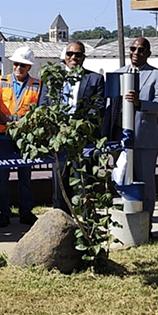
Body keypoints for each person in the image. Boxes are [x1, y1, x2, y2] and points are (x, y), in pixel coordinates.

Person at [111, 37, 158, 218]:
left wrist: (140, 103)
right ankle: (127, 220)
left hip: (144, 140)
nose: (136, 53)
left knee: (145, 184)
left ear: (148, 53)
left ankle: (146, 223)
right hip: (119, 139)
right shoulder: (118, 74)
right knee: (121, 179)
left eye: (141, 50)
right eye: (133, 49)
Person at [46, 41, 107, 213]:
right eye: (70, 54)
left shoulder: (95, 79)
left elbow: (98, 107)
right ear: (64, 56)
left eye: (78, 54)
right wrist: (58, 126)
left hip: (84, 138)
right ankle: (61, 218)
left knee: (84, 181)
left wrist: (76, 127)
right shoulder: (53, 79)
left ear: (83, 57)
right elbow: (45, 104)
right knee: (60, 181)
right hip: (59, 137)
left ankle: (86, 219)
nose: (73, 57)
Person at [0, 47, 42, 227]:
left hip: (25, 138)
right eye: (16, 64)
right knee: (2, 177)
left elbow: (40, 111)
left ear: (29, 67)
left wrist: (23, 125)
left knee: (25, 177)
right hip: (3, 135)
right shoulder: (0, 81)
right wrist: (10, 123)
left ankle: (25, 213)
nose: (18, 67)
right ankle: (3, 214)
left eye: (23, 65)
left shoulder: (38, 85)